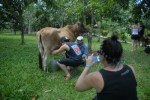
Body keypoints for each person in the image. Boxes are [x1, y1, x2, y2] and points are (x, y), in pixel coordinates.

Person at [75, 35, 138, 100]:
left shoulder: (97, 76)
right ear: (120, 54)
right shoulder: (131, 68)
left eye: (99, 53)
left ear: (102, 57)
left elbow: (78, 87)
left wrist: (87, 66)